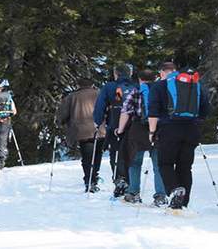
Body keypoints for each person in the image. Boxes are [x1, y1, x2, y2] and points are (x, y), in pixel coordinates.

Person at [148, 62, 210, 209]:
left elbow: (153, 112)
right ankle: (183, 202)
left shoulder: (159, 86)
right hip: (191, 130)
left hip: (169, 130)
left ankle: (175, 191)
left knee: (165, 163)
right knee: (185, 167)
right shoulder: (196, 85)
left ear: (163, 73)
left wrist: (152, 132)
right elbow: (205, 109)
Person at [116, 69, 166, 206]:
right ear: (155, 78)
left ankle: (133, 193)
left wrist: (120, 130)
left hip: (138, 130)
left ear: (139, 79)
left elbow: (126, 111)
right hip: (157, 129)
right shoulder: (161, 90)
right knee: (158, 165)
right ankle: (160, 196)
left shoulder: (135, 91)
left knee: (135, 162)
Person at [56, 78, 106, 192]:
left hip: (82, 131)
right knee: (97, 155)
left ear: (78, 85)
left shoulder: (72, 97)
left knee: (87, 157)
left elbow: (63, 114)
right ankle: (94, 177)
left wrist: (59, 122)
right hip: (100, 129)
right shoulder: (99, 94)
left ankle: (89, 180)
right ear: (92, 84)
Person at [93, 64, 132, 197]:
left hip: (114, 124)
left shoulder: (109, 87)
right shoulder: (136, 86)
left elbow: (100, 105)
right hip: (133, 125)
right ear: (130, 74)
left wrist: (97, 121)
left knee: (115, 153)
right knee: (131, 154)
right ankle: (130, 182)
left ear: (116, 74)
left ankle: (119, 179)